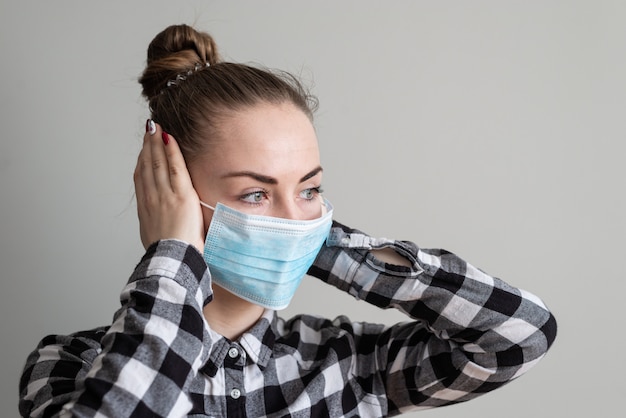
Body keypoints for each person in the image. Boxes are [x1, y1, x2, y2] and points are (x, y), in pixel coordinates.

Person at [19, 24, 557, 417]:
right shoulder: (67, 363)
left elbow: (520, 335)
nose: (292, 217)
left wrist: (315, 241)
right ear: (172, 192)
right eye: (255, 193)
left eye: (309, 189)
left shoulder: (348, 365)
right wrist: (172, 258)